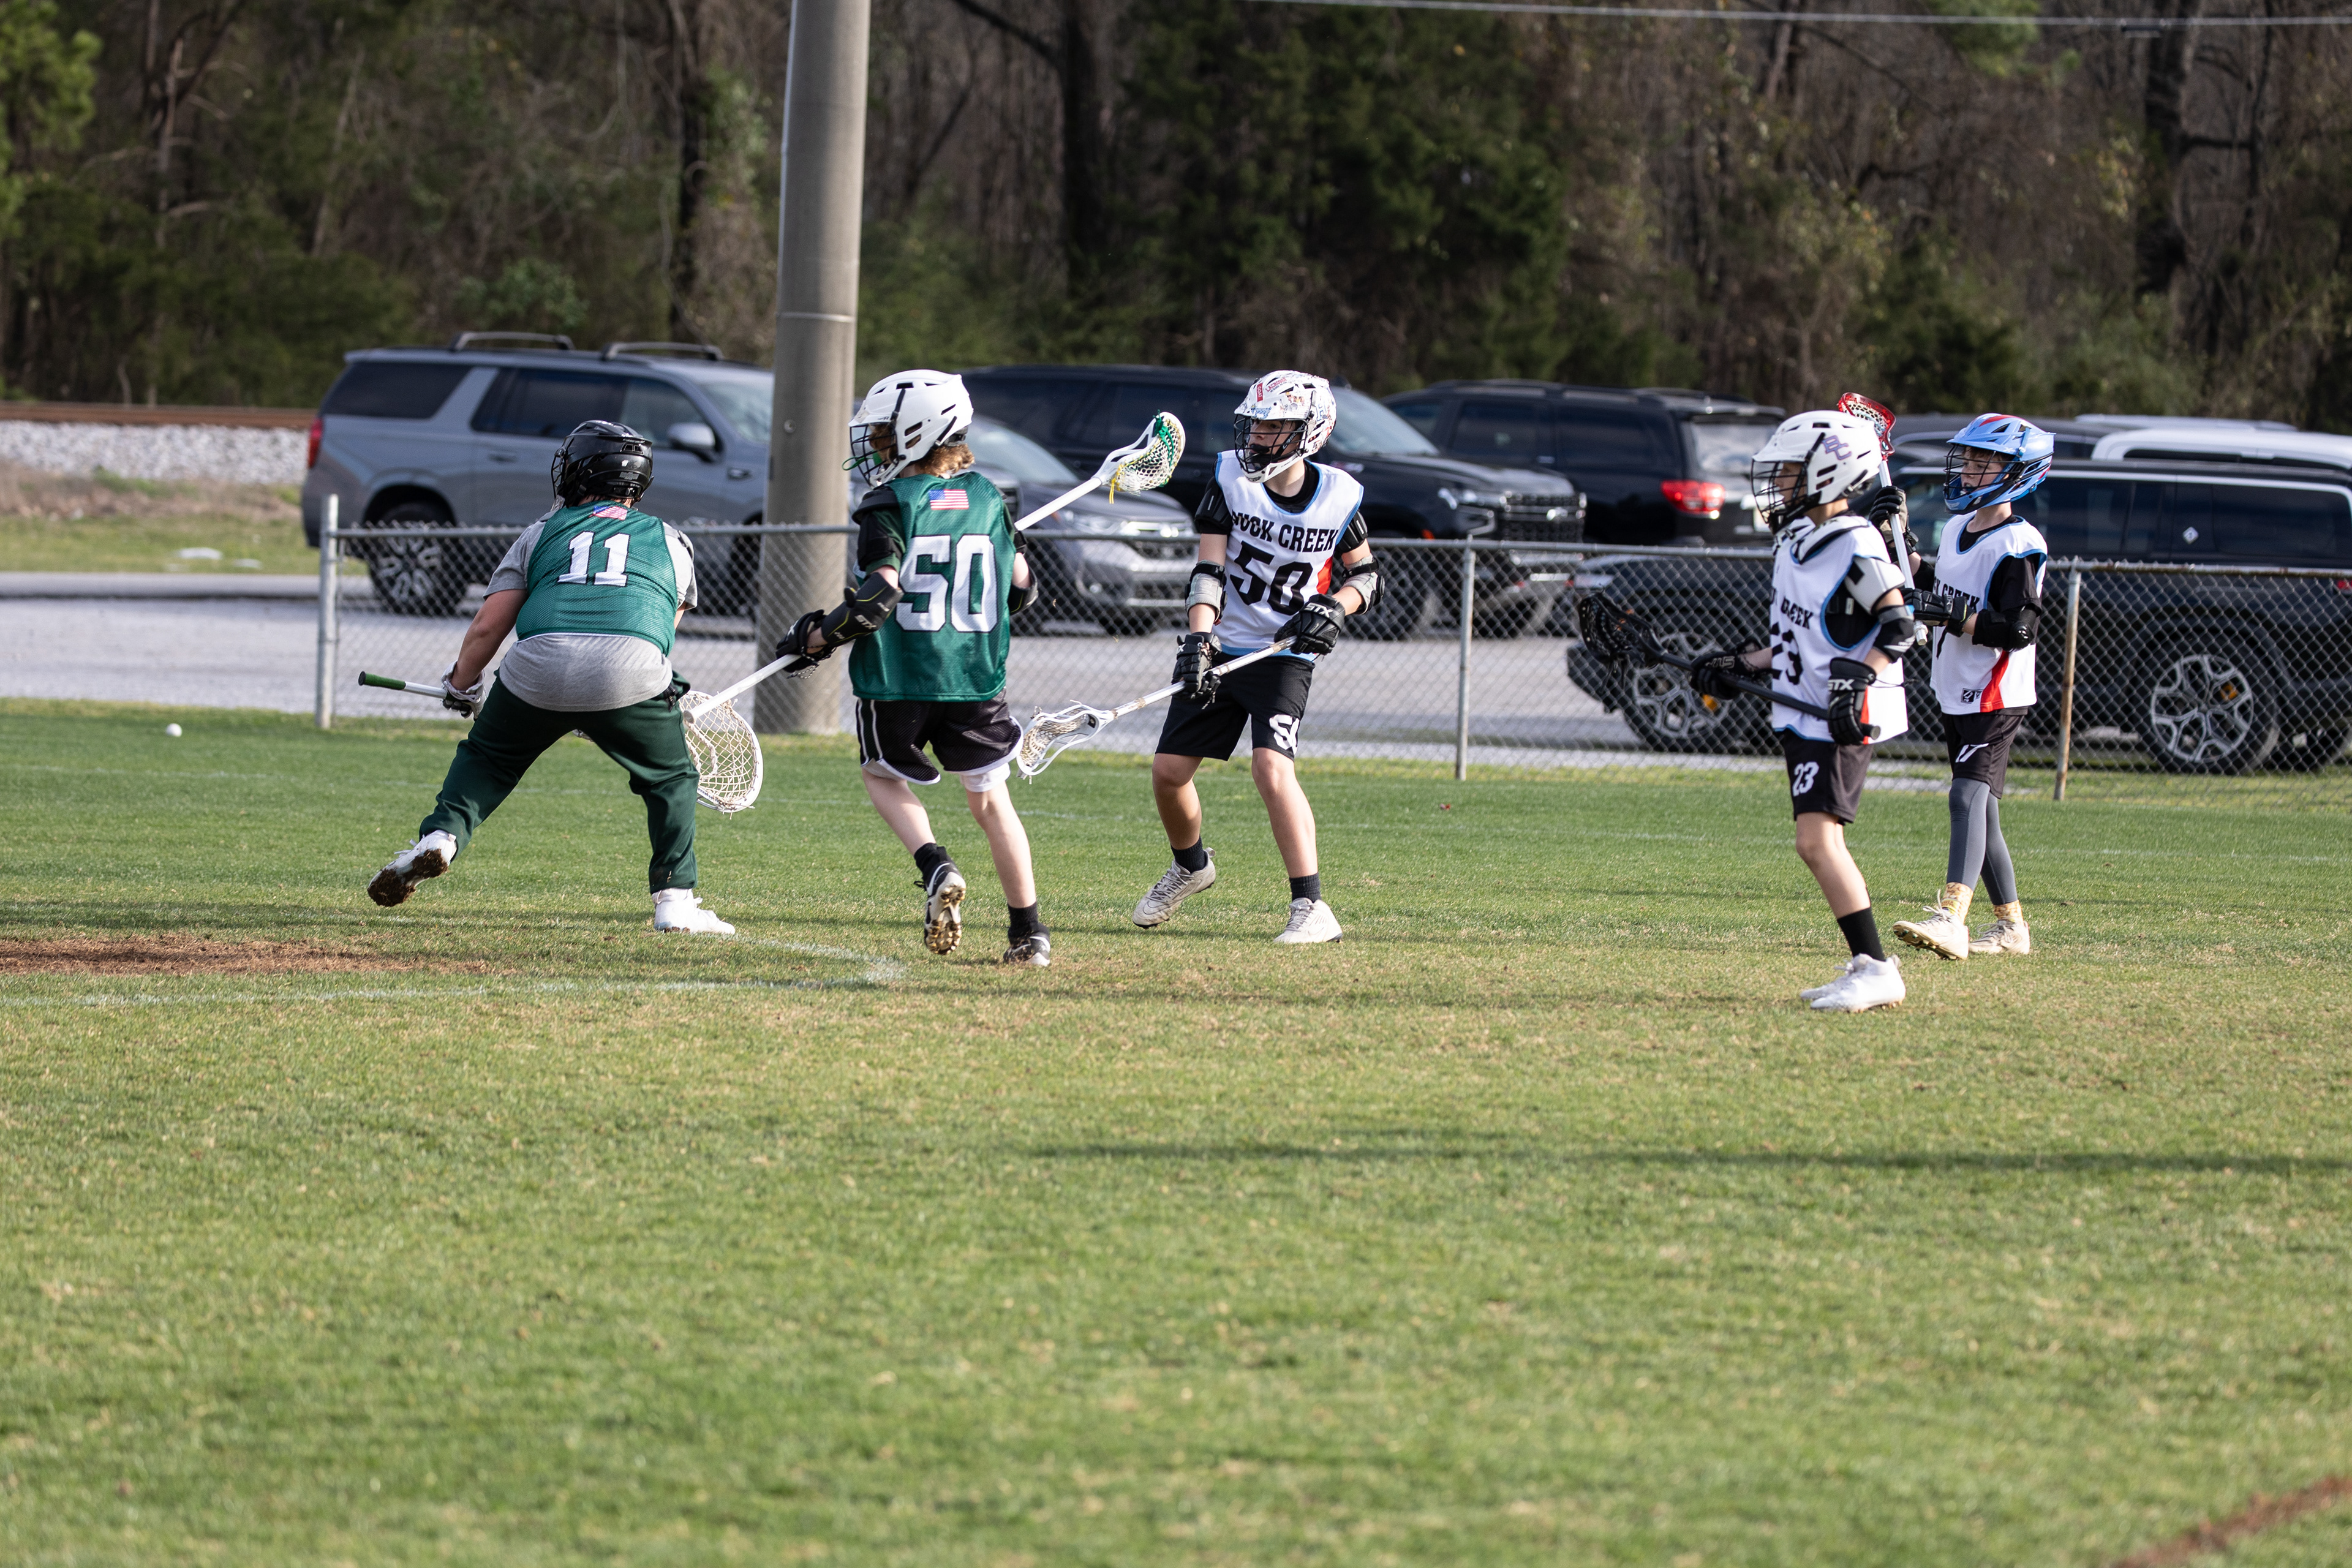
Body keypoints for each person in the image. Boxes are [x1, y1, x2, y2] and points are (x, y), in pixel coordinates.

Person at [367, 421, 734, 933]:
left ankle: (441, 839)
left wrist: (461, 685)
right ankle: (675, 900)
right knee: (671, 780)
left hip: (537, 664)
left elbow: (488, 626)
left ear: (579, 471)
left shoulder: (542, 531)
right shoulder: (672, 541)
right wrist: (612, 708)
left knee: (488, 760)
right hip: (630, 670)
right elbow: (657, 634)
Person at [775, 369, 1050, 965]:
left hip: (899, 677)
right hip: (974, 677)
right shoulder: (989, 498)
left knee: (881, 775)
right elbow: (1022, 591)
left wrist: (814, 637)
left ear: (917, 433)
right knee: (991, 801)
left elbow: (876, 601)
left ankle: (935, 863)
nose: (875, 447)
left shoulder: (888, 504)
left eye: (882, 435)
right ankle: (1029, 935)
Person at [1132, 371, 1382, 944]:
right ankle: (1191, 866)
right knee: (1168, 774)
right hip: (1223, 646)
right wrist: (1199, 642)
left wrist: (1335, 607)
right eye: (1256, 426)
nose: (1259, 439)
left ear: (1310, 432)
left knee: (1271, 768)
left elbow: (1367, 577)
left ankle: (1311, 906)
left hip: (1285, 653)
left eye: (1275, 428)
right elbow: (1209, 571)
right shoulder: (1229, 481)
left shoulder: (1339, 496)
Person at [1692, 409, 1918, 1012]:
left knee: (1816, 842)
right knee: (1817, 842)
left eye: (1791, 472)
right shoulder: (1797, 541)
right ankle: (1866, 964)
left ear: (1828, 473)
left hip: (1839, 712)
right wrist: (1741, 663)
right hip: (1803, 709)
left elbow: (1899, 626)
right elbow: (1798, 640)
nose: (1780, 484)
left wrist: (1857, 679)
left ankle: (1876, 968)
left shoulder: (1854, 542)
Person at [1890, 413, 2051, 962]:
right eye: (1971, 459)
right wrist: (1900, 542)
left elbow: (2019, 629)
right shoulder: (1960, 528)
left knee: (1965, 798)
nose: (1971, 469)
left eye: (1986, 461)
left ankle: (1951, 918)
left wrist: (1954, 618)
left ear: (2017, 472)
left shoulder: (2018, 543)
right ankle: (2011, 928)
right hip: (1957, 687)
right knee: (1984, 815)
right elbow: (1939, 587)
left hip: (1994, 695)